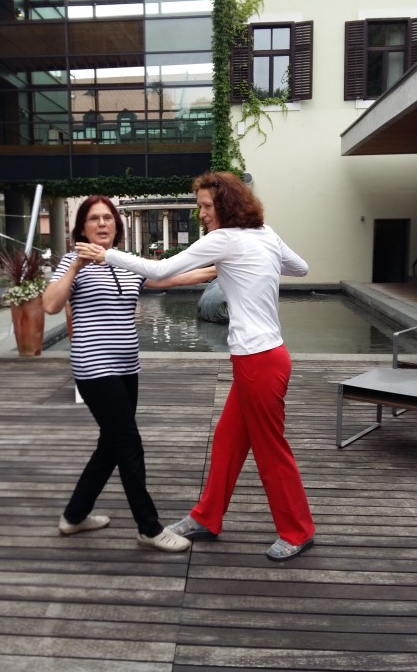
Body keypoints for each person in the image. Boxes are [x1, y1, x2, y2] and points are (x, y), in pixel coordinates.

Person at [76, 172, 316, 562]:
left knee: (271, 451)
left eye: (206, 206)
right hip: (265, 358)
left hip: (258, 362)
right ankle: (207, 517)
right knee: (226, 442)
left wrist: (107, 255)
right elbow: (301, 268)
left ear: (226, 205)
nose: (201, 213)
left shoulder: (224, 239)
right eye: (200, 205)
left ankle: (297, 531)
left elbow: (159, 271)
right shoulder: (265, 234)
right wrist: (259, 264)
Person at [43, 195, 215, 553]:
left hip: (126, 368)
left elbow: (170, 278)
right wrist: (77, 264)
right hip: (94, 369)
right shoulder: (71, 263)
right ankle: (148, 527)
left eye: (108, 218)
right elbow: (51, 304)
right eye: (94, 218)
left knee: (111, 444)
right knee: (129, 444)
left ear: (116, 225)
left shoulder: (124, 263)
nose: (102, 224)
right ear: (82, 227)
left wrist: (221, 267)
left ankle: (74, 516)